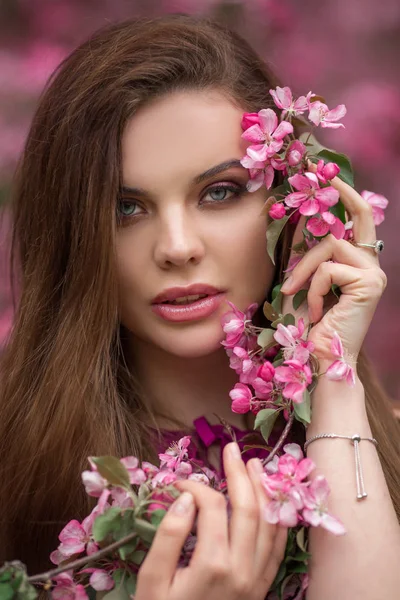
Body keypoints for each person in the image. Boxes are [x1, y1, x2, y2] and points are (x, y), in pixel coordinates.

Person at [0, 14, 399, 600]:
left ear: (290, 202)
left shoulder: (377, 435)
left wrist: (332, 372)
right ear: (70, 235)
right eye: (126, 209)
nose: (178, 247)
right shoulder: (14, 465)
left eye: (220, 192)